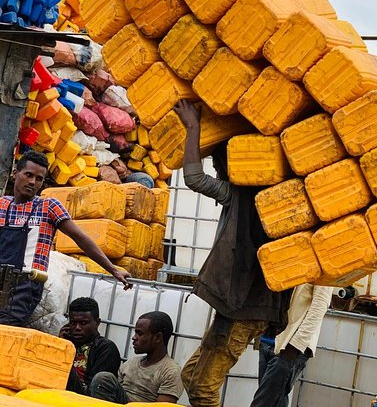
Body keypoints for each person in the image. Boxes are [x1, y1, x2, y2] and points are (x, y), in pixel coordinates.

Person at [173, 100, 291, 407]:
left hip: (247, 308)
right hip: (238, 306)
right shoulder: (269, 193)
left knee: (202, 388)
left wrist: (193, 127)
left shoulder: (242, 195)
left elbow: (194, 178)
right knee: (190, 377)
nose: (217, 169)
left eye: (219, 163)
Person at [0, 151, 131, 326]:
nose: (33, 182)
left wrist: (113, 269)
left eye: (39, 179)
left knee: (6, 331)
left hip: (25, 286)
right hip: (1, 277)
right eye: (28, 175)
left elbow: (81, 238)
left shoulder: (48, 206)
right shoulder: (2, 204)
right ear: (16, 173)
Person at [251, 284, 333, 407]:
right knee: (275, 402)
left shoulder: (322, 266)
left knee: (262, 403)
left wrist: (294, 347)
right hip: (267, 340)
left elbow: (320, 305)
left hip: (289, 347)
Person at [90, 311, 184, 403]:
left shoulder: (171, 371)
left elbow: (163, 406)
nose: (134, 338)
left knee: (103, 378)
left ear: (157, 337)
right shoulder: (130, 364)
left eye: (140, 333)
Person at [61, 297, 122, 395]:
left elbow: (95, 389)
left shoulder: (105, 348)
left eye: (83, 323)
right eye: (73, 323)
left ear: (97, 323)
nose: (77, 328)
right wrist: (60, 346)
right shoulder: (66, 342)